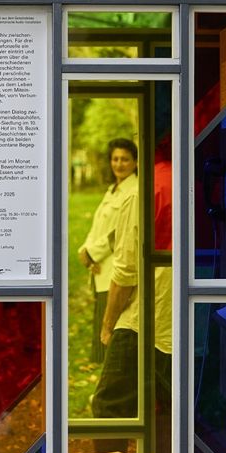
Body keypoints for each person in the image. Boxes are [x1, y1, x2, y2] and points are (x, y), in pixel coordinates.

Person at [91, 143, 173, 453]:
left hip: (143, 316)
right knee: (164, 406)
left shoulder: (143, 191)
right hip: (175, 319)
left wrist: (108, 323)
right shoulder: (186, 180)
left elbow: (126, 270)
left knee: (109, 405)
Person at [77, 139, 139, 364]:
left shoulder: (134, 191)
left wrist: (92, 254)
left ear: (135, 162)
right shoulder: (112, 190)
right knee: (102, 331)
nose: (119, 164)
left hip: (114, 270)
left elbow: (117, 234)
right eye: (115, 159)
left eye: (125, 159)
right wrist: (85, 252)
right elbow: (98, 227)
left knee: (110, 332)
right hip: (99, 269)